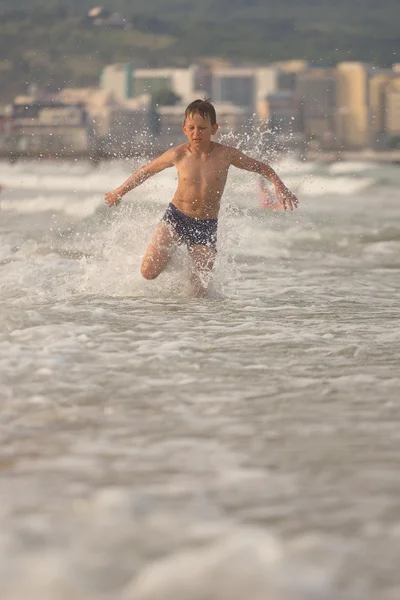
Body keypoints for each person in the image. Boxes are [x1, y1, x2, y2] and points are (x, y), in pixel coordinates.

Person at [105, 99, 298, 297]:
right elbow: (146, 171)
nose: (197, 133)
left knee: (198, 293)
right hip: (176, 218)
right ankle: (172, 257)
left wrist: (279, 186)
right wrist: (118, 192)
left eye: (202, 128)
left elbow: (261, 167)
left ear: (214, 129)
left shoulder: (226, 155)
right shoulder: (178, 154)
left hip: (206, 225)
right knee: (148, 272)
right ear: (184, 129)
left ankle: (193, 325)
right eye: (192, 128)